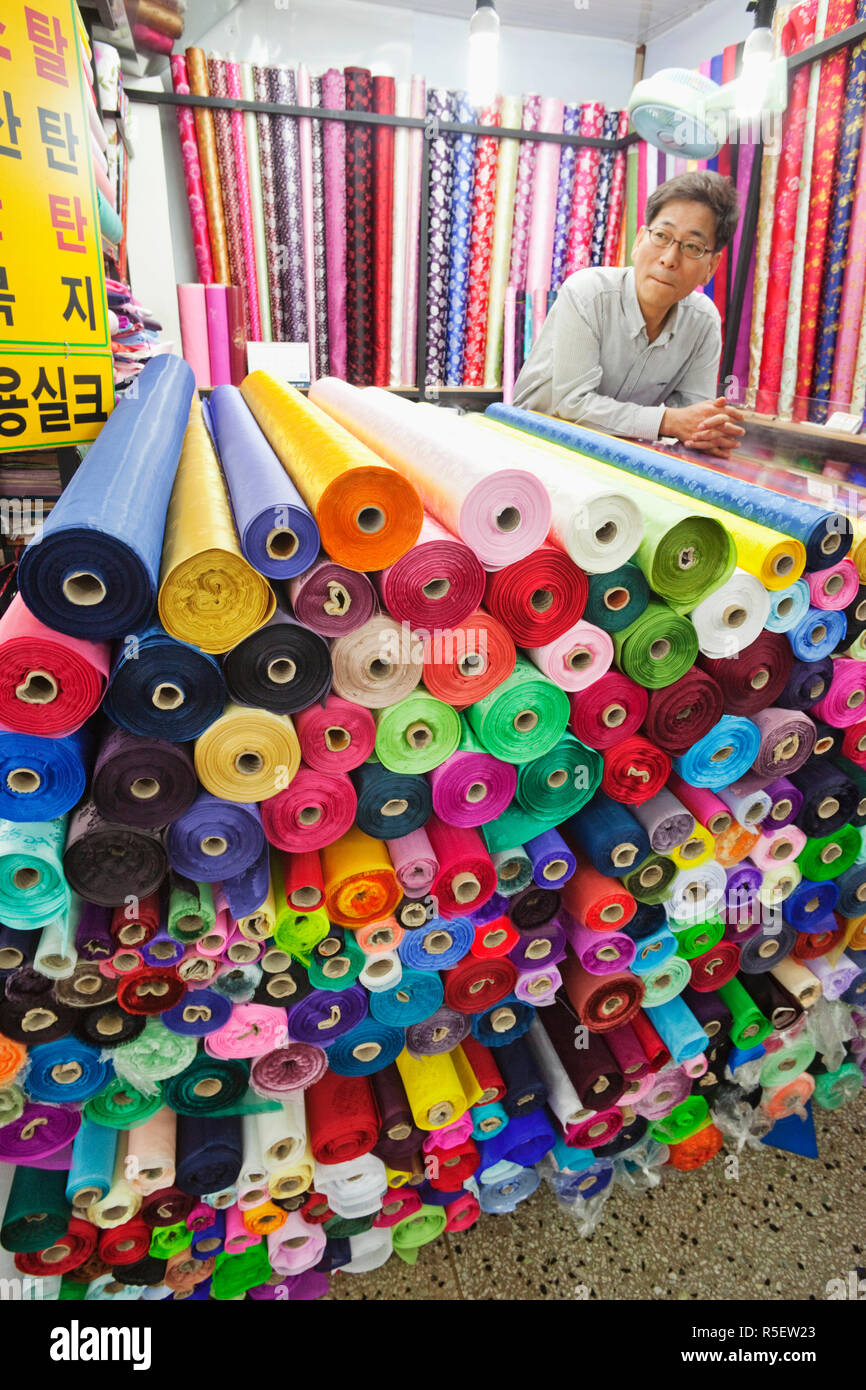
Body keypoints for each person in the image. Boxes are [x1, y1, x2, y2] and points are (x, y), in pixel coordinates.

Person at [513, 170, 745, 458]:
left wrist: (708, 432)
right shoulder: (588, 293)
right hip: (531, 448)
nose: (669, 258)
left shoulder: (703, 322)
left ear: (711, 267)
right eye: (661, 236)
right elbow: (572, 404)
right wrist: (669, 422)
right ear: (638, 241)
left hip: (616, 458)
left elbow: (694, 419)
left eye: (693, 247)